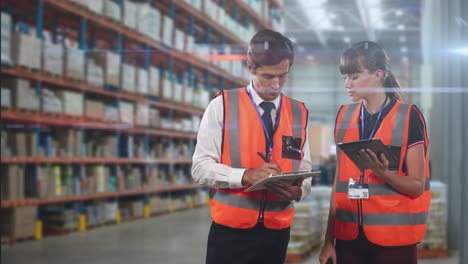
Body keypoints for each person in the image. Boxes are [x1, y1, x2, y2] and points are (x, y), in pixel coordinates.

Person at [192, 29, 312, 264]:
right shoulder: (222, 106)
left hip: (277, 235)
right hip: (230, 234)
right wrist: (245, 175)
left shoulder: (298, 113)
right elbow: (200, 167)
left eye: (283, 76)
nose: (276, 85)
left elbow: (305, 169)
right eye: (268, 77)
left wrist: (299, 191)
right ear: (250, 67)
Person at [319, 41, 431, 264]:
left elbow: (417, 186)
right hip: (348, 238)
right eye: (345, 77)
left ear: (378, 74)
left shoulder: (408, 117)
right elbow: (338, 186)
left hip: (394, 241)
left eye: (354, 77)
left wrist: (384, 173)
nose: (347, 84)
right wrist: (329, 240)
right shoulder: (343, 117)